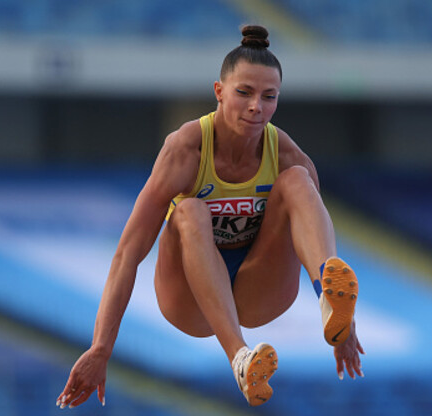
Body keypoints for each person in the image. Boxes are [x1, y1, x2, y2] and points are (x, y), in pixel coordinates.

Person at [56, 25, 364, 409]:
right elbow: (127, 253)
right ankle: (240, 358)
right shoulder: (186, 150)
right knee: (188, 209)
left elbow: (310, 231)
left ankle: (327, 305)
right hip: (189, 300)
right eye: (244, 93)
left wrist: (344, 329)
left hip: (258, 287)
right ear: (218, 92)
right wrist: (101, 347)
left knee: (300, 182)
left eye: (269, 97)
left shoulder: (286, 154)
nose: (257, 107)